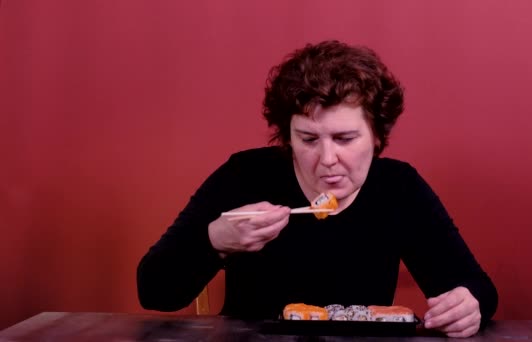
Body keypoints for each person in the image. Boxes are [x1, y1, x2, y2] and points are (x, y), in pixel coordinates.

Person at [137, 40, 498, 338]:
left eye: (344, 138)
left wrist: (469, 304)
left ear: (376, 136)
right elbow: (154, 291)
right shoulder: (244, 176)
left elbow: (476, 287)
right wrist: (215, 241)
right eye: (308, 139)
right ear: (288, 137)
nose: (327, 159)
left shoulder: (399, 188)